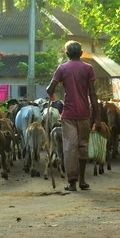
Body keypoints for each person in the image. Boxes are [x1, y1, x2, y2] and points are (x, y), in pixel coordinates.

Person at [46, 41, 100, 191]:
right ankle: (82, 180)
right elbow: (93, 94)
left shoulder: (62, 68)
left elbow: (50, 88)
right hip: (85, 114)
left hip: (68, 114)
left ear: (67, 54)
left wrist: (50, 91)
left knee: (70, 147)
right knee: (83, 146)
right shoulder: (88, 68)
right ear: (81, 53)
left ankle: (72, 183)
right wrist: (98, 117)